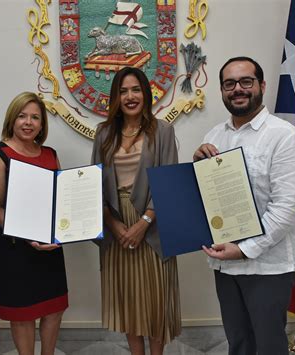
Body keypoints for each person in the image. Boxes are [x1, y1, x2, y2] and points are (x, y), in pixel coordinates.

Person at [193, 57, 295, 355]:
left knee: (268, 346)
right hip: (225, 263)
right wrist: (197, 168)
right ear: (221, 91)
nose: (238, 89)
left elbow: (286, 211)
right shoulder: (214, 137)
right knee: (239, 344)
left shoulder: (284, 137)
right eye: (229, 84)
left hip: (267, 266)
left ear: (261, 86)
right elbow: (208, 198)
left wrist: (244, 248)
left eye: (246, 81)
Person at [91, 67, 181, 355]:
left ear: (146, 93)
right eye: (123, 91)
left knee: (155, 303)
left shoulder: (163, 131)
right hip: (116, 224)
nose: (130, 96)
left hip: (153, 226)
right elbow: (95, 183)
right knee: (129, 301)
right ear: (115, 96)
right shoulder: (103, 132)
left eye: (136, 89)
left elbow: (169, 183)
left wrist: (144, 222)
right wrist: (112, 224)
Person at [0, 92, 68, 355]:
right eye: (22, 116)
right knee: (23, 314)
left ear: (42, 124)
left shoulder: (50, 154)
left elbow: (59, 199)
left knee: (54, 308)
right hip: (13, 247)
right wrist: (26, 234)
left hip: (48, 245)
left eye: (35, 117)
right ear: (12, 119)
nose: (28, 122)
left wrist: (60, 233)